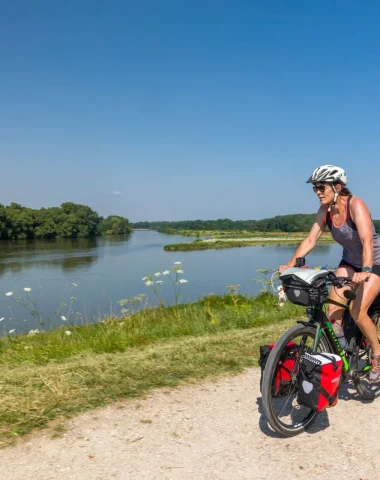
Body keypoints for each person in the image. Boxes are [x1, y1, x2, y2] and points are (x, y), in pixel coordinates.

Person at [279, 165, 380, 382]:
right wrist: (290, 263)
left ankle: (377, 356)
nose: (317, 191)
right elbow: (310, 240)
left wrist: (367, 270)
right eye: (315, 188)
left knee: (357, 311)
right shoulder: (324, 212)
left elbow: (366, 240)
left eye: (321, 187)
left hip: (375, 263)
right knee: (333, 311)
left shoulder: (356, 205)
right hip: (350, 262)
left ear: (338, 186)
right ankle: (344, 351)